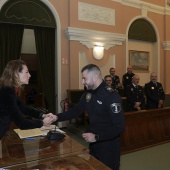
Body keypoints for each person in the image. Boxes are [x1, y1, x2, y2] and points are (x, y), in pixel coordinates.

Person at [56, 64, 125, 170]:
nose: (82, 82)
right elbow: (75, 111)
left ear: (95, 77)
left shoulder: (111, 96)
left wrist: (96, 137)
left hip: (108, 146)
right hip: (93, 145)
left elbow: (119, 127)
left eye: (84, 78)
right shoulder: (88, 94)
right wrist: (55, 117)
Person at [0, 60, 57, 139]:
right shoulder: (7, 92)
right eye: (26, 72)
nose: (29, 75)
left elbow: (24, 108)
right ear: (16, 74)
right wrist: (42, 123)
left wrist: (43, 115)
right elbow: (21, 123)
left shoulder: (9, 89)